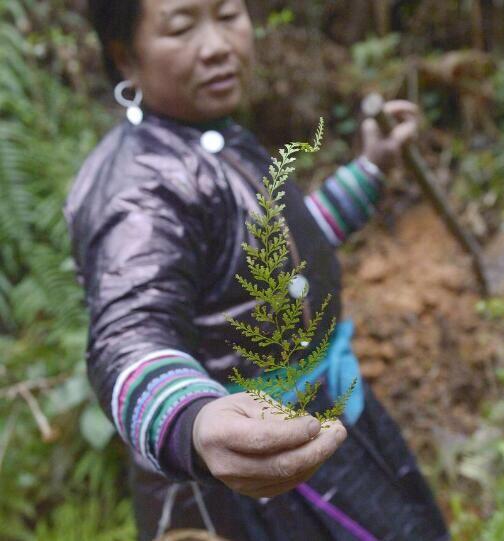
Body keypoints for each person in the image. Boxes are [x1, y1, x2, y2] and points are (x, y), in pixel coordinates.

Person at [65, 1, 450, 540]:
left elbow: (280, 252)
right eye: (182, 26)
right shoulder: (136, 188)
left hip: (322, 427)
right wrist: (193, 421)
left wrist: (370, 169)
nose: (218, 45)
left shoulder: (213, 138)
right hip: (250, 477)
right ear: (125, 56)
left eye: (228, 14)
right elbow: (128, 335)